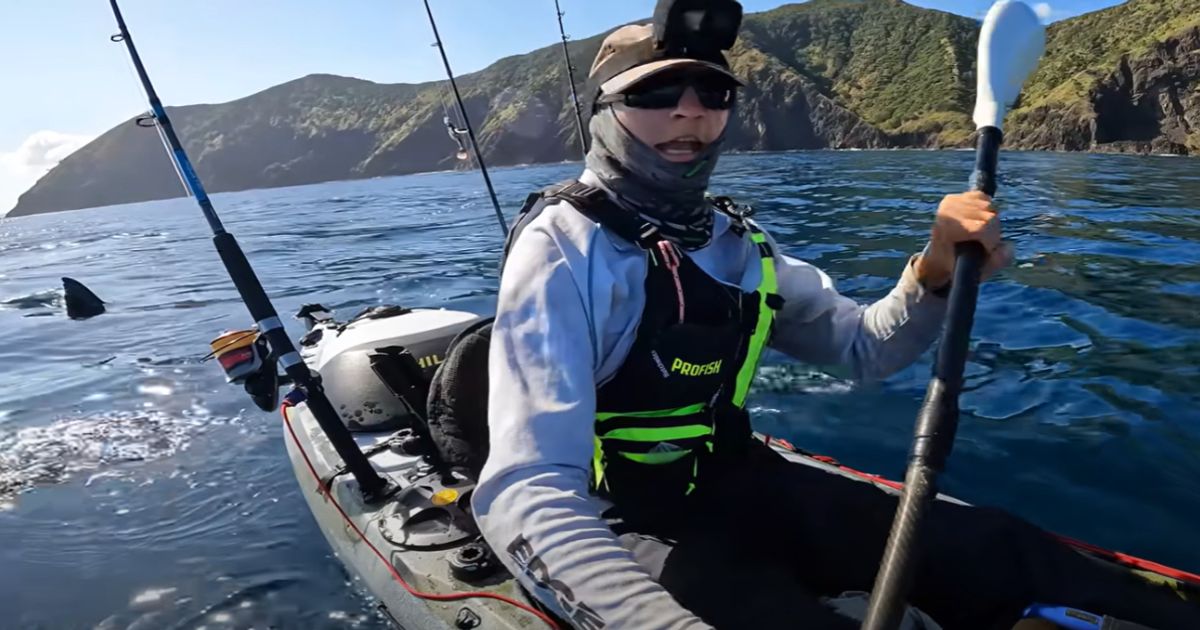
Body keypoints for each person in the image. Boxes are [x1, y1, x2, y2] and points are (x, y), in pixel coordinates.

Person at [466, 11, 1197, 630]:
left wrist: (934, 270)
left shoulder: (735, 241)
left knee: (1000, 548)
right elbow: (527, 492)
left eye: (712, 91)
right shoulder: (563, 248)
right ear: (603, 110)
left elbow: (864, 349)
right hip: (630, 525)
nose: (690, 111)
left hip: (742, 485)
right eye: (656, 92)